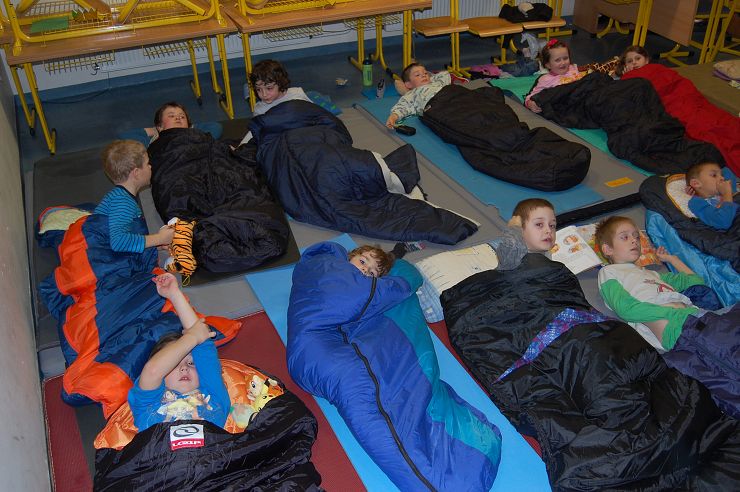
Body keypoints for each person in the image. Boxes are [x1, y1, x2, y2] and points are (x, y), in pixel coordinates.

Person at [595, 216, 721, 352]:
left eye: (636, 237)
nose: (634, 240)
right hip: (675, 326)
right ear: (608, 249)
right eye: (625, 237)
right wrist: (671, 310)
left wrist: (673, 260)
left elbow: (696, 282)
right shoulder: (609, 272)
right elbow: (627, 309)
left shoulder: (653, 274)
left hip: (693, 314)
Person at [128, 273, 230, 431]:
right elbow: (153, 370)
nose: (184, 368)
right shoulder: (147, 404)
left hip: (210, 447)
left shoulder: (215, 396)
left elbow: (202, 341)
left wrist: (174, 294)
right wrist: (192, 337)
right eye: (174, 364)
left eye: (191, 363)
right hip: (159, 447)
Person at [95, 140, 174, 253]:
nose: (151, 167)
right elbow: (118, 243)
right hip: (106, 261)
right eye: (147, 163)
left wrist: (156, 246)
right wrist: (159, 238)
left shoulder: (120, 197)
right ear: (136, 173)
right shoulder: (122, 202)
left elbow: (126, 240)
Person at [491, 198, 556, 270]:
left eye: (552, 225)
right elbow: (508, 258)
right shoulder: (514, 256)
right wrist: (515, 229)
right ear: (521, 228)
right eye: (539, 224)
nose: (549, 230)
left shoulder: (542, 249)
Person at [525, 40, 585, 113]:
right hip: (569, 106)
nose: (563, 63)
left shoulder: (573, 68)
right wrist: (530, 103)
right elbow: (532, 96)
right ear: (548, 65)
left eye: (565, 58)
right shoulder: (546, 79)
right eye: (557, 60)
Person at [385, 62, 452, 128]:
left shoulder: (436, 83)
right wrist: (393, 117)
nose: (424, 75)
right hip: (438, 107)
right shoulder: (412, 95)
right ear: (409, 84)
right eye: (417, 75)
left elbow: (445, 74)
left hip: (451, 95)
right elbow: (401, 107)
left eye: (425, 73)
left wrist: (430, 78)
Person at [685, 161, 738, 230]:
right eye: (714, 175)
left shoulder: (730, 190)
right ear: (696, 183)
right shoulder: (696, 202)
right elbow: (722, 222)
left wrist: (728, 192)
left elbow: (726, 171)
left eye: (721, 175)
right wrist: (727, 194)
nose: (722, 178)